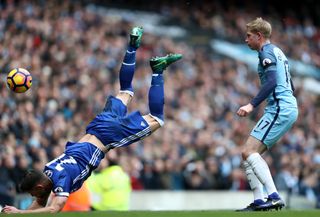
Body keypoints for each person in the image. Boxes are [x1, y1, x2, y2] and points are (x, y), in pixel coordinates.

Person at [1, 26, 182, 214]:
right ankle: (132, 47)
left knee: (157, 119)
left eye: (32, 193)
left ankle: (157, 72)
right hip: (97, 126)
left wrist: (21, 212)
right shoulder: (48, 170)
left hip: (107, 136)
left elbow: (54, 208)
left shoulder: (61, 179)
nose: (34, 197)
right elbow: (41, 201)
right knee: (125, 92)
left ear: (39, 187)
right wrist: (18, 214)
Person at [236, 17, 298, 211]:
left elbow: (271, 81)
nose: (246, 40)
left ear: (259, 36)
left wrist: (251, 105)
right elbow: (289, 83)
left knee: (248, 152)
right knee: (248, 155)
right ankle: (259, 200)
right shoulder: (278, 51)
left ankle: (273, 196)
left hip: (280, 108)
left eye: (248, 36)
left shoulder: (266, 52)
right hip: (282, 106)